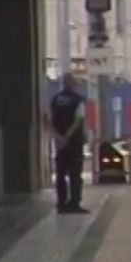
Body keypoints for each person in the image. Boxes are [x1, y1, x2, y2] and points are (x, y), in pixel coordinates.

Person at [49, 73, 88, 214]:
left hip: (60, 144)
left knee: (60, 173)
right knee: (75, 174)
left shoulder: (55, 100)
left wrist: (58, 137)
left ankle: (61, 203)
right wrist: (67, 137)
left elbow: (49, 121)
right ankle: (74, 203)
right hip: (74, 142)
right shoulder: (78, 100)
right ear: (72, 83)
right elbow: (78, 121)